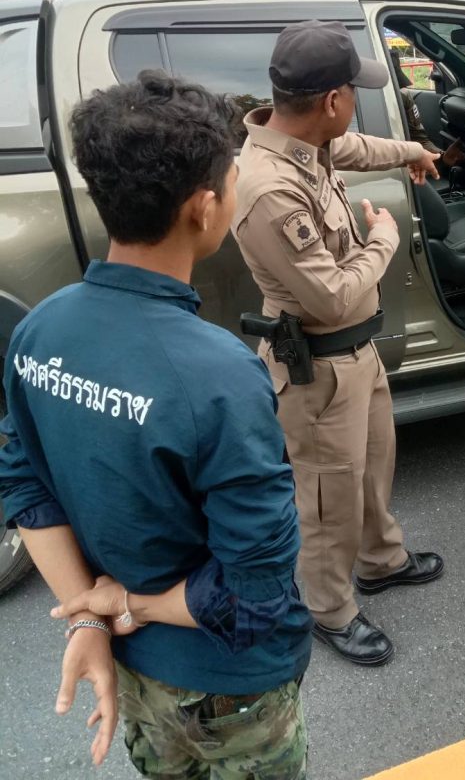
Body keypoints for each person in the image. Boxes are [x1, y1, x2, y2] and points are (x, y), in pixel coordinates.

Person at [0, 71, 312, 778]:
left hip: (131, 663)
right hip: (229, 685)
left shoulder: (41, 329)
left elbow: (23, 481)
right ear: (205, 207)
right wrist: (122, 603)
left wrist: (88, 615)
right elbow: (254, 597)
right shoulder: (220, 375)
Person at [232, 20, 445, 667]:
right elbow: (330, 298)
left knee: (374, 463)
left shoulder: (308, 143)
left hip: (356, 351)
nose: (355, 101)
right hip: (317, 366)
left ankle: (381, 559)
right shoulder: (270, 186)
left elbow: (357, 147)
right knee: (328, 497)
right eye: (353, 90)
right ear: (331, 99)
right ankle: (329, 608)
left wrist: (411, 150)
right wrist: (385, 237)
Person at [389, 48, 465, 170]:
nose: (400, 89)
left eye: (398, 84)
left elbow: (420, 139)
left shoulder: (403, 95)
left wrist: (442, 156)